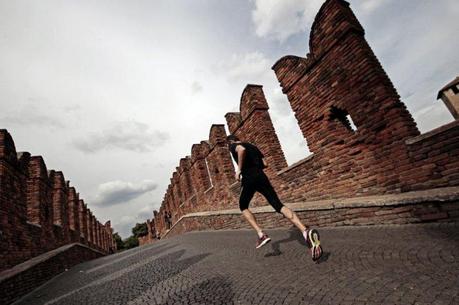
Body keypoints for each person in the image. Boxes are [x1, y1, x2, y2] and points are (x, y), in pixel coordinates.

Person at [227, 134, 323, 262]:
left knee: (243, 206)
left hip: (249, 178)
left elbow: (241, 150)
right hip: (262, 176)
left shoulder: (234, 145)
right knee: (278, 205)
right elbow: (265, 164)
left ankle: (261, 234)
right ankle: (305, 231)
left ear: (230, 141)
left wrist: (238, 170)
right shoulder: (253, 146)